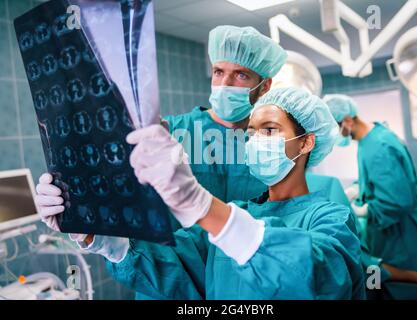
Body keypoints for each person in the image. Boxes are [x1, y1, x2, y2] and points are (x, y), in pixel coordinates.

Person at [36, 88, 365, 299]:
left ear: (306, 141)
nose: (256, 141)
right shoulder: (239, 211)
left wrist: (201, 205)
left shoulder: (329, 218)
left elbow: (322, 277)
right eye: (251, 133)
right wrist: (96, 230)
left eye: (270, 130)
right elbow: (171, 268)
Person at [35, 25, 286, 299]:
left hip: (247, 289)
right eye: (218, 72)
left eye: (240, 74)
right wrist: (74, 207)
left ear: (265, 85)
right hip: (162, 282)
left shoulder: (275, 149)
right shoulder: (168, 133)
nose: (225, 84)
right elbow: (112, 195)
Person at [323, 94, 417, 295]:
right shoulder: (370, 139)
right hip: (385, 232)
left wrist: (363, 210)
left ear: (347, 120)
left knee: (413, 287)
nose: (334, 134)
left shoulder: (379, 146)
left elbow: (397, 201)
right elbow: (379, 178)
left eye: (333, 128)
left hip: (400, 235)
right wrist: (358, 188)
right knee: (378, 282)